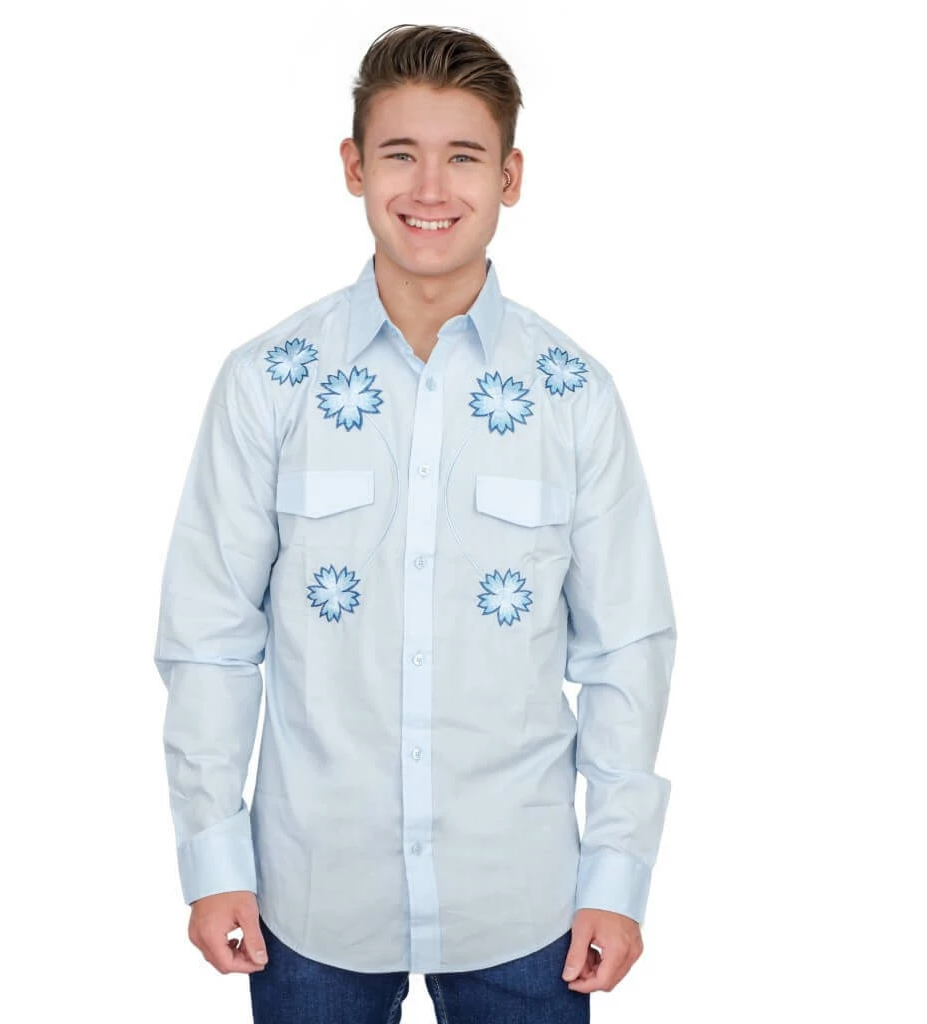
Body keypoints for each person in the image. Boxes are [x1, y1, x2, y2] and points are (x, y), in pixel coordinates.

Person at [153, 22, 676, 1024]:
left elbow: (627, 646)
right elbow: (210, 637)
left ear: (509, 176)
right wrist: (212, 855)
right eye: (400, 153)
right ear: (354, 167)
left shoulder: (572, 395)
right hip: (310, 899)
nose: (430, 188)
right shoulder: (270, 383)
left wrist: (618, 872)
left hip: (525, 903)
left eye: (463, 156)